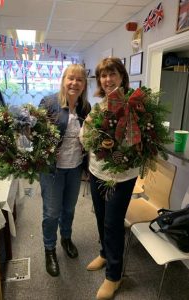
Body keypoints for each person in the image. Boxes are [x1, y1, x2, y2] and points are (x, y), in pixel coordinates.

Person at [80, 57, 138, 300]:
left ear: (122, 76)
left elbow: (137, 142)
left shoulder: (135, 105)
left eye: (112, 73)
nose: (108, 79)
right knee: (102, 217)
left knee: (113, 224)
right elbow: (84, 138)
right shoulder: (99, 107)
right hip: (97, 172)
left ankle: (114, 276)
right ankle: (105, 253)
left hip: (122, 177)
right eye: (103, 75)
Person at [39, 64, 91, 277]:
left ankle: (66, 238)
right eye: (71, 78)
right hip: (52, 170)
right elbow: (35, 133)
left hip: (75, 168)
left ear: (84, 84)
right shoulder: (49, 103)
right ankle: (49, 249)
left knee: (69, 209)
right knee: (52, 213)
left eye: (79, 80)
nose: (74, 83)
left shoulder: (85, 107)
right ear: (63, 79)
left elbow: (89, 138)